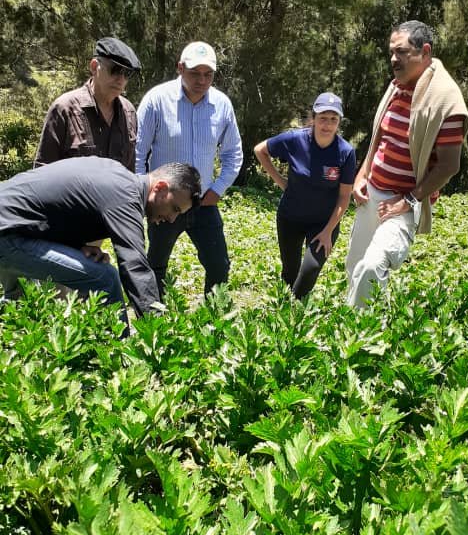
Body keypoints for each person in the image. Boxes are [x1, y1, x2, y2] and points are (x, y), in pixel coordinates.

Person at [346, 20, 468, 308]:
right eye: (391, 52)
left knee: (371, 267)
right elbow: (381, 136)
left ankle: (360, 342)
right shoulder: (396, 87)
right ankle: (357, 324)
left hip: (403, 204)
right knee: (355, 269)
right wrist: (362, 175)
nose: (393, 59)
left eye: (401, 52)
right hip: (371, 196)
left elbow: (449, 166)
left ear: (424, 52)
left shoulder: (445, 101)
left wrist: (409, 201)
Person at [0, 157, 201, 330]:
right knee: (105, 278)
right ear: (160, 188)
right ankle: (117, 357)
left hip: (11, 224)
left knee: (19, 302)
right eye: (174, 208)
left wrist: (77, 247)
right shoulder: (126, 196)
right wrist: (158, 333)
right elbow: (135, 267)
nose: (172, 219)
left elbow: (52, 209)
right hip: (7, 233)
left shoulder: (117, 177)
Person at [135, 41, 243, 297]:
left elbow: (233, 154)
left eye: (208, 74)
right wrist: (141, 195)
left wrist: (218, 189)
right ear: (180, 68)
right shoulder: (156, 100)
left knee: (219, 266)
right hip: (164, 202)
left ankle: (214, 322)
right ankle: (153, 320)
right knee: (156, 265)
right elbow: (137, 153)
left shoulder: (222, 105)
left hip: (203, 202)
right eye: (195, 73)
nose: (202, 80)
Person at [254, 93, 356, 299]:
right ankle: (287, 310)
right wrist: (281, 180)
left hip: (323, 223)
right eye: (323, 118)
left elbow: (344, 196)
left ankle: (294, 311)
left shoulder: (345, 152)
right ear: (314, 118)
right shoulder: (295, 140)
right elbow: (260, 150)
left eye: (333, 119)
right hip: (290, 217)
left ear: (339, 122)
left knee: (310, 269)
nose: (327, 125)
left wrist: (328, 231)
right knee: (290, 272)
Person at [34, 37, 141, 171]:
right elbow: (42, 172)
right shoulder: (65, 110)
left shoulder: (129, 113)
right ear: (94, 67)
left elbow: (129, 174)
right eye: (116, 70)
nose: (121, 80)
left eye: (127, 74)